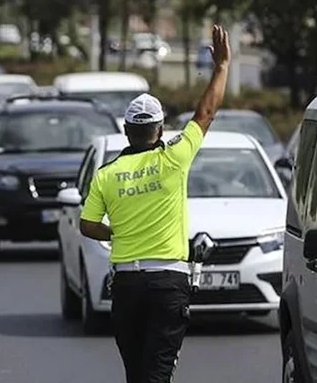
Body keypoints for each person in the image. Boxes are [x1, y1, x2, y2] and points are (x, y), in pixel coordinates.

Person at [78, 25, 231, 383]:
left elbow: (87, 225)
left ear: (126, 131)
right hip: (168, 283)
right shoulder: (175, 158)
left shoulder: (107, 174)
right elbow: (205, 113)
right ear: (160, 130)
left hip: (127, 286)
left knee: (137, 374)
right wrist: (222, 67)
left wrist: (116, 232)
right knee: (157, 375)